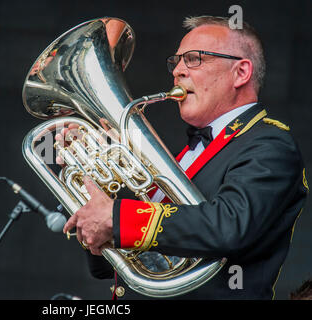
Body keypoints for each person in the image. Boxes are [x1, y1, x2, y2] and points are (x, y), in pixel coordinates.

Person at [62, 15, 309, 299]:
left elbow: (228, 225)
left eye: (194, 59)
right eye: (177, 61)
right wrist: (94, 193)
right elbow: (112, 267)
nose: (177, 70)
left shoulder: (270, 144)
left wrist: (116, 218)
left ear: (240, 73)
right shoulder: (189, 154)